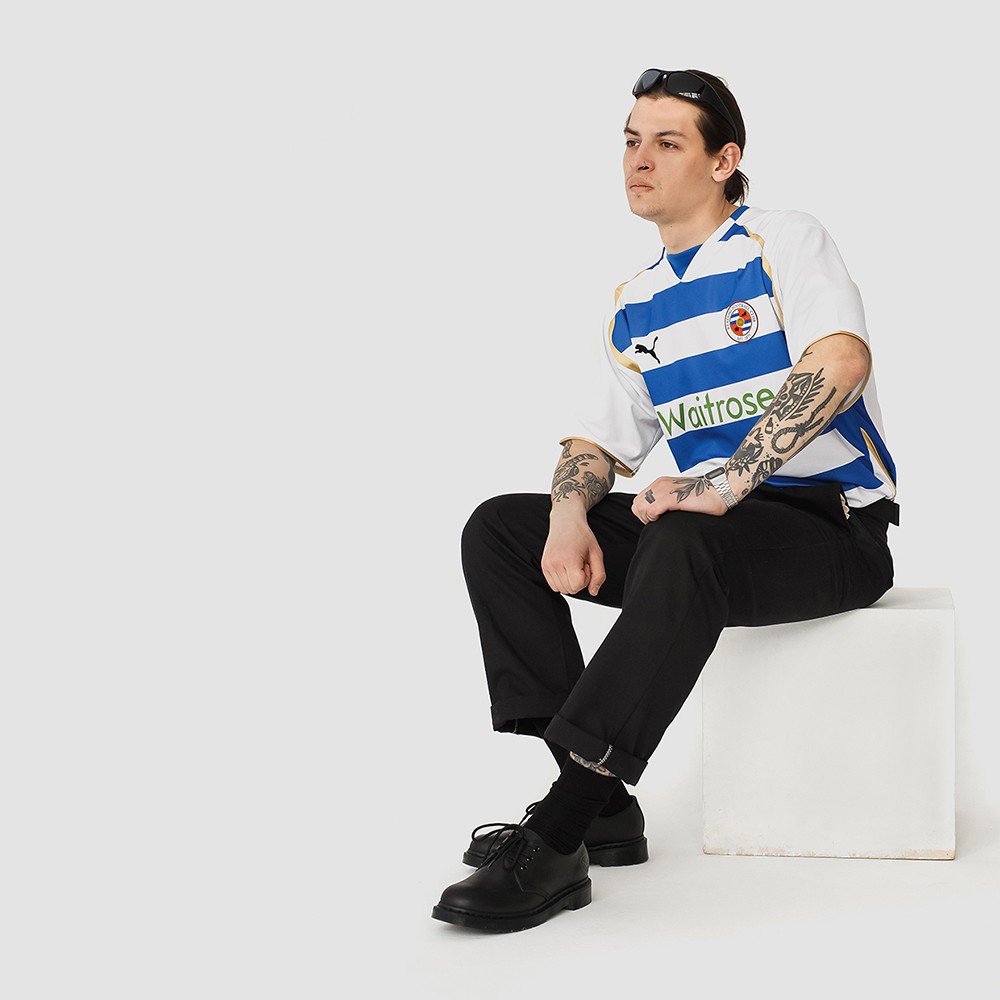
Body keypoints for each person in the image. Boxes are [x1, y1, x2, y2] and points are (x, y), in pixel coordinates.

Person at [431, 68, 898, 933]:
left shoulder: (781, 239)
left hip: (830, 529)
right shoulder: (638, 301)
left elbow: (839, 362)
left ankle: (558, 834)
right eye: (630, 141)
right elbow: (593, 446)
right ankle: (603, 807)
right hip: (706, 529)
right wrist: (567, 517)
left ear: (724, 160)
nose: (638, 160)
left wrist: (726, 481)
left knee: (685, 534)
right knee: (500, 529)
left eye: (667, 142)